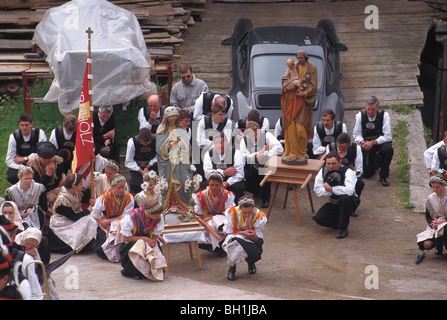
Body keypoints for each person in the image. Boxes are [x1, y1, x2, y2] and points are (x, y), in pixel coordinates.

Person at [156, 106, 193, 221]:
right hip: (167, 163)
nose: (172, 121)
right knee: (167, 184)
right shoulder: (161, 132)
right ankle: (168, 205)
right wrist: (170, 145)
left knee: (182, 182)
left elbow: (188, 147)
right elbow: (159, 149)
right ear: (166, 119)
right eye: (170, 119)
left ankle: (183, 205)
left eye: (174, 118)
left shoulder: (182, 130)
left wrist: (182, 145)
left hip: (180, 163)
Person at [312, 150, 360, 239]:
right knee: (319, 219)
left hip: (350, 201)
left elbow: (349, 191)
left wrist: (331, 189)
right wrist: (333, 190)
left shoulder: (348, 172)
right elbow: (317, 190)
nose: (330, 166)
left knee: (345, 198)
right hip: (334, 202)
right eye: (328, 163)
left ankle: (343, 228)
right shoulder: (323, 171)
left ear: (340, 162)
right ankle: (340, 221)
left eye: (333, 163)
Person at [280, 50, 318, 162]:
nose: (299, 60)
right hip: (291, 100)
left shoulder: (312, 68)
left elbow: (313, 85)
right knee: (290, 127)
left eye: (301, 58)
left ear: (306, 57)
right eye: (298, 58)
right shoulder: (292, 65)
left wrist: (305, 93)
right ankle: (291, 152)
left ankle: (301, 151)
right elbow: (284, 79)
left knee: (301, 130)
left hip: (303, 102)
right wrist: (287, 87)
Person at [48, 173, 97, 254]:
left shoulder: (76, 192)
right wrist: (87, 211)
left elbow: (84, 199)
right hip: (61, 223)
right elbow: (73, 217)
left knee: (90, 219)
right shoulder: (62, 200)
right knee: (88, 219)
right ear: (74, 186)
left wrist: (89, 188)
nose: (82, 185)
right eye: (81, 184)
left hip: (70, 219)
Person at [222, 196, 267, 281]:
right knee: (236, 244)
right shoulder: (232, 212)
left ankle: (250, 262)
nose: (247, 215)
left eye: (249, 212)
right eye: (244, 212)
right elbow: (227, 232)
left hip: (249, 239)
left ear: (253, 208)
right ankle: (232, 267)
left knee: (255, 252)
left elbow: (257, 239)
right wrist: (243, 232)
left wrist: (249, 228)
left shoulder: (259, 216)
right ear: (240, 208)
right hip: (235, 236)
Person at [240, 121, 284, 208]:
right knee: (245, 182)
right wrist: (258, 154)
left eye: (257, 134)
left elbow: (279, 149)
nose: (256, 137)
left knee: (264, 174)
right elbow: (244, 156)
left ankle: (265, 198)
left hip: (267, 163)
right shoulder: (244, 140)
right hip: (252, 165)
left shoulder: (267, 135)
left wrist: (266, 153)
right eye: (253, 135)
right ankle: (257, 192)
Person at [119, 201, 167, 280]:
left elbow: (155, 232)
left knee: (155, 248)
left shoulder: (158, 216)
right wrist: (143, 239)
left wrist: (154, 240)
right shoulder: (132, 217)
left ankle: (152, 270)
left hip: (148, 238)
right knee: (138, 248)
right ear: (148, 212)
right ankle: (135, 271)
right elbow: (125, 238)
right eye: (156, 215)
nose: (158, 217)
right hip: (132, 241)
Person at [353, 96, 394, 187]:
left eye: (373, 109)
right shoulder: (360, 116)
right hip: (367, 142)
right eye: (368, 109)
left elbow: (387, 135)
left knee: (388, 150)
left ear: (378, 108)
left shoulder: (384, 116)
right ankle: (376, 162)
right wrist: (362, 142)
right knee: (367, 174)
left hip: (381, 141)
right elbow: (357, 134)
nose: (370, 112)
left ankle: (384, 175)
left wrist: (373, 142)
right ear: (365, 107)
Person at [91, 175, 134, 259]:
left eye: (123, 187)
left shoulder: (129, 198)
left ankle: (120, 252)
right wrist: (106, 224)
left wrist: (109, 222)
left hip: (121, 221)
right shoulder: (103, 199)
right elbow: (95, 214)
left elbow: (126, 216)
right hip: (105, 222)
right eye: (119, 188)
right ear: (112, 187)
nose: (122, 190)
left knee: (120, 226)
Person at [193, 170, 235, 255]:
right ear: (208, 184)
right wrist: (203, 221)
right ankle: (211, 245)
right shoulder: (202, 195)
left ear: (221, 185)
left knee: (216, 223)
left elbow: (229, 212)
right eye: (211, 185)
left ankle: (222, 246)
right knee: (202, 225)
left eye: (217, 185)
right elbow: (199, 212)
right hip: (208, 217)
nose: (214, 187)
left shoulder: (227, 195)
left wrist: (211, 218)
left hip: (222, 217)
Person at [203, 132, 245, 204]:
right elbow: (207, 173)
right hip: (216, 182)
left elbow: (240, 174)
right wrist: (223, 172)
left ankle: (236, 208)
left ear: (227, 143)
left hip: (232, 182)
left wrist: (228, 183)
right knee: (211, 187)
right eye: (216, 143)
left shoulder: (236, 152)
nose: (218, 146)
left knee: (239, 187)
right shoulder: (209, 153)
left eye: (221, 143)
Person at [327, 133, 365, 211]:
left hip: (352, 174)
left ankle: (353, 206)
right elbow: (328, 167)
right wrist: (339, 160)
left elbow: (359, 171)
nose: (341, 150)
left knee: (359, 182)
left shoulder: (356, 148)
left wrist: (349, 174)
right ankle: (335, 203)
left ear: (349, 145)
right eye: (339, 147)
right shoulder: (331, 147)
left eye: (343, 148)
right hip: (335, 174)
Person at [5, 113, 47, 185]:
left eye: (27, 125)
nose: (24, 128)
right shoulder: (14, 137)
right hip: (20, 165)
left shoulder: (39, 133)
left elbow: (44, 153)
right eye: (22, 125)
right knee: (12, 176)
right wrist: (23, 168)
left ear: (31, 124)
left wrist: (26, 158)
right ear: (19, 125)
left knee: (38, 177)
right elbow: (9, 160)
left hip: (36, 163)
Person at [415, 174, 447, 264]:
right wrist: (433, 224)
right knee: (426, 244)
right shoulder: (431, 198)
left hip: (445, 223)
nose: (435, 190)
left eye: (438, 187)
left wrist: (444, 220)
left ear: (444, 185)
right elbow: (429, 215)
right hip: (437, 224)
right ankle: (438, 245)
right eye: (433, 187)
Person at [125, 128, 158, 195]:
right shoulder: (132, 142)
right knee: (137, 185)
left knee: (156, 183)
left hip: (152, 166)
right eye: (143, 143)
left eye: (148, 143)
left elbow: (158, 156)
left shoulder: (156, 140)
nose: (145, 145)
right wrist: (141, 171)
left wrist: (148, 166)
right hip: (137, 168)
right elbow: (129, 161)